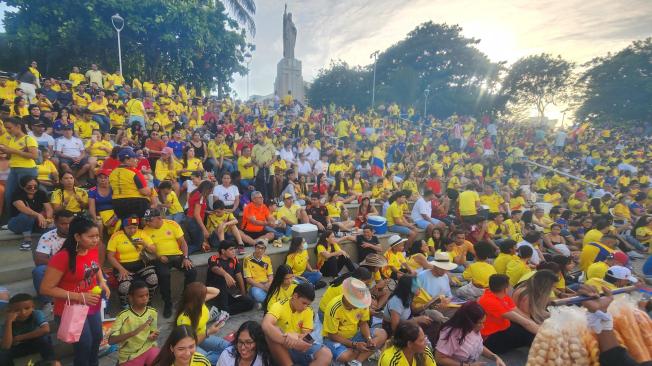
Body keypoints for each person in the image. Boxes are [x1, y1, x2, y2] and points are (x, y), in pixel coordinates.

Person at [40, 215, 110, 366]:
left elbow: (95, 265)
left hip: (91, 303)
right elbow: (45, 288)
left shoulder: (91, 248)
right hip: (70, 308)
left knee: (97, 339)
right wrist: (79, 296)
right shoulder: (62, 257)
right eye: (91, 236)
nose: (96, 240)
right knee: (84, 345)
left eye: (97, 236)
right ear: (77, 236)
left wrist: (102, 281)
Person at [261, 282, 333, 366]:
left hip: (298, 343)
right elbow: (265, 324)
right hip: (281, 344)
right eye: (304, 303)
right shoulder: (279, 306)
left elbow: (306, 335)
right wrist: (287, 339)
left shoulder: (308, 310)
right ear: (295, 296)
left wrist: (295, 336)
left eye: (308, 304)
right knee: (270, 332)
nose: (305, 307)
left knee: (327, 353)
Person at [143, 208, 196, 318]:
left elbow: (183, 243)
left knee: (192, 271)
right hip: (159, 258)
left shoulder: (172, 224)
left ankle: (185, 298)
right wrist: (159, 256)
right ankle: (168, 303)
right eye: (146, 220)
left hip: (177, 255)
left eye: (149, 220)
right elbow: (148, 250)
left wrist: (186, 257)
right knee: (163, 275)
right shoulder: (146, 230)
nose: (147, 223)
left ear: (158, 218)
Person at [322, 277, 388, 364]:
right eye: (356, 302)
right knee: (344, 356)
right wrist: (355, 345)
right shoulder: (334, 308)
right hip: (335, 339)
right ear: (348, 298)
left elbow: (363, 323)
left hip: (354, 335)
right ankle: (362, 353)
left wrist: (368, 338)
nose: (359, 306)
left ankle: (356, 362)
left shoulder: (362, 304)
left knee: (383, 334)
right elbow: (332, 335)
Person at [478, 274, 539, 355]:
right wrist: (543, 332)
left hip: (503, 328)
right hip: (489, 339)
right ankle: (547, 349)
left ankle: (544, 345)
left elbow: (521, 314)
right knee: (526, 333)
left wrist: (535, 324)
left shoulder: (501, 296)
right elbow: (523, 321)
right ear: (506, 289)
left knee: (527, 328)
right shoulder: (489, 301)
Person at [106, 216, 159, 307]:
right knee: (125, 286)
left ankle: (148, 301)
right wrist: (121, 269)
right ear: (124, 227)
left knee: (153, 279)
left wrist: (144, 244)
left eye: (135, 227)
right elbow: (110, 256)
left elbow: (154, 250)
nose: (133, 230)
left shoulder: (142, 233)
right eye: (129, 228)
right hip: (122, 265)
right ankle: (124, 304)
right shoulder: (116, 236)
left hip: (141, 264)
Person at [435, 301, 506, 366]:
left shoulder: (473, 328)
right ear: (468, 321)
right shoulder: (452, 334)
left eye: (483, 322)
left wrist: (495, 357)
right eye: (479, 323)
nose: (482, 327)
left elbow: (478, 346)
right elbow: (439, 359)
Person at [175, 282, 229, 364]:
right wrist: (208, 332)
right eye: (203, 295)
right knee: (206, 359)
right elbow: (189, 343)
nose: (205, 296)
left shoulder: (199, 302)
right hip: (189, 345)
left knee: (227, 346)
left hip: (202, 336)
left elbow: (217, 291)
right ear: (196, 298)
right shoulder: (184, 318)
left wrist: (201, 289)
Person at [108, 281, 159, 366]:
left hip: (148, 348)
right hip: (129, 354)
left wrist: (153, 336)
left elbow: (152, 333)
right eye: (141, 296)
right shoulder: (122, 316)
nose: (145, 298)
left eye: (147, 295)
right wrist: (133, 333)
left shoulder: (153, 312)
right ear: (131, 297)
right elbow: (111, 341)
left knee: (161, 361)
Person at [0, 293, 55, 366]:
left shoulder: (36, 313)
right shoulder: (5, 323)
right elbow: (6, 346)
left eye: (27, 308)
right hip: (17, 347)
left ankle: (50, 363)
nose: (23, 312)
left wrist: (19, 338)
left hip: (34, 343)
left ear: (33, 307)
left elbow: (45, 329)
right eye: (17, 310)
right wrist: (9, 322)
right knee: (2, 354)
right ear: (10, 311)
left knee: (45, 339)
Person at [32, 210, 73, 306]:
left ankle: (103, 308)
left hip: (78, 265)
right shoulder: (48, 236)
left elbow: (98, 246)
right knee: (39, 271)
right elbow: (39, 260)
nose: (68, 226)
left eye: (70, 223)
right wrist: (62, 265)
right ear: (55, 223)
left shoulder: (79, 234)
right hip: (57, 268)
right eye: (63, 223)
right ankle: (48, 304)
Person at [206, 240, 255, 315]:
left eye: (234, 249)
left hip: (230, 293)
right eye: (231, 249)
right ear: (223, 251)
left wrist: (243, 292)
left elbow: (238, 275)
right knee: (222, 279)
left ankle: (223, 311)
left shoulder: (234, 259)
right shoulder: (214, 258)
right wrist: (226, 275)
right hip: (216, 293)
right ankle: (223, 309)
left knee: (249, 302)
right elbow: (214, 268)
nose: (234, 251)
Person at [2, 118, 38, 215]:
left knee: (25, 195)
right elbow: (10, 155)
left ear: (18, 126)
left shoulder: (28, 139)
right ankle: (12, 219)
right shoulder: (12, 139)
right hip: (14, 169)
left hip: (27, 169)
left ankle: (27, 217)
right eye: (6, 128)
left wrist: (14, 151)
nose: (8, 131)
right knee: (9, 194)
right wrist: (5, 151)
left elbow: (34, 156)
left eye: (9, 128)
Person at [9, 175, 53, 250]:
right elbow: (22, 208)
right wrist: (38, 215)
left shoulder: (41, 193)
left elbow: (49, 208)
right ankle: (27, 241)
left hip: (35, 222)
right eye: (29, 186)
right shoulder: (17, 193)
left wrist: (48, 219)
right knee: (27, 216)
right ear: (23, 186)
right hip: (17, 223)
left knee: (53, 227)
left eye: (35, 186)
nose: (33, 188)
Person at [109, 147, 152, 219]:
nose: (137, 160)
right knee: (142, 222)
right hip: (135, 204)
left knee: (126, 224)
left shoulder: (112, 173)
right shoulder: (135, 171)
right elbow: (145, 192)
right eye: (134, 158)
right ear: (127, 160)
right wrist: (151, 190)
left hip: (117, 204)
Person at [184, 180, 214, 253]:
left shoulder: (195, 193)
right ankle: (183, 253)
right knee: (197, 245)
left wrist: (206, 211)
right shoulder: (201, 197)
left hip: (189, 219)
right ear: (207, 189)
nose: (211, 192)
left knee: (195, 242)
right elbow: (196, 214)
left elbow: (194, 208)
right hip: (194, 222)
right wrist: (204, 230)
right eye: (211, 190)